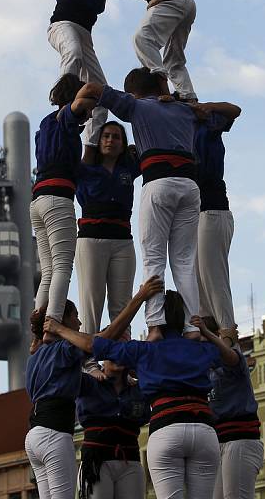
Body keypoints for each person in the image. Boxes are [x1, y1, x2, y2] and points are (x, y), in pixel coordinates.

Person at [46, 290, 239, 499]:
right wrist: (212, 335)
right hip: (204, 430)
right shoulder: (199, 349)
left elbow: (92, 344)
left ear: (154, 320)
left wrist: (59, 329)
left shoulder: (143, 351)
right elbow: (232, 358)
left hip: (167, 429)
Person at [75, 71, 201, 339]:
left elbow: (95, 88)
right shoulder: (183, 110)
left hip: (159, 184)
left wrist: (77, 104)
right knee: (185, 261)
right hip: (190, 186)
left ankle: (155, 325)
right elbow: (221, 112)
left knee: (154, 256)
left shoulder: (136, 106)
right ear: (159, 86)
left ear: (132, 93)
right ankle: (193, 326)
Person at [25, 277, 162, 499]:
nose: (79, 324)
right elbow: (98, 341)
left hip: (36, 433)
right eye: (75, 317)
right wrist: (139, 298)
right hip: (59, 436)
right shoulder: (67, 354)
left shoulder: (37, 356)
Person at [30, 74, 97, 337]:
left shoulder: (44, 126)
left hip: (38, 199)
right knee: (62, 267)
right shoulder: (64, 118)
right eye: (90, 109)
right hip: (57, 198)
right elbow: (77, 107)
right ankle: (52, 327)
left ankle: (37, 330)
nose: (90, 115)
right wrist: (92, 93)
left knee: (48, 271)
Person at [47, 0, 128, 149]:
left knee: (101, 92)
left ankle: (91, 149)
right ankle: (65, 106)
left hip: (85, 35)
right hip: (63, 25)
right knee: (72, 53)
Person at [75, 121, 140, 347]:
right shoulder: (84, 169)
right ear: (98, 141)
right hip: (92, 239)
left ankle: (121, 359)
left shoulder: (128, 169)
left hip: (123, 241)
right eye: (106, 136)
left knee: (122, 306)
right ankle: (89, 361)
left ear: (123, 144)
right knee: (91, 303)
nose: (111, 140)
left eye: (116, 137)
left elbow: (147, 141)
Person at [195, 102, 242, 346]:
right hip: (193, 211)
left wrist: (204, 107)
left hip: (212, 208)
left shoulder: (205, 124)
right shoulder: (175, 129)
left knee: (213, 276)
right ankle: (210, 333)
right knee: (197, 280)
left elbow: (234, 110)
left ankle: (227, 332)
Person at [200, 316, 263, 499]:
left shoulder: (230, 360)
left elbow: (229, 358)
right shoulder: (203, 369)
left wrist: (218, 338)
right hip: (216, 440)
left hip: (239, 437)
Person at [77, 359, 150, 499]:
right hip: (96, 462)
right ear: (102, 356)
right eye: (113, 349)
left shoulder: (138, 389)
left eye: (122, 351)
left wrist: (139, 371)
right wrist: (90, 367)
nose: (118, 356)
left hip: (130, 460)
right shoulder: (88, 381)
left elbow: (145, 416)